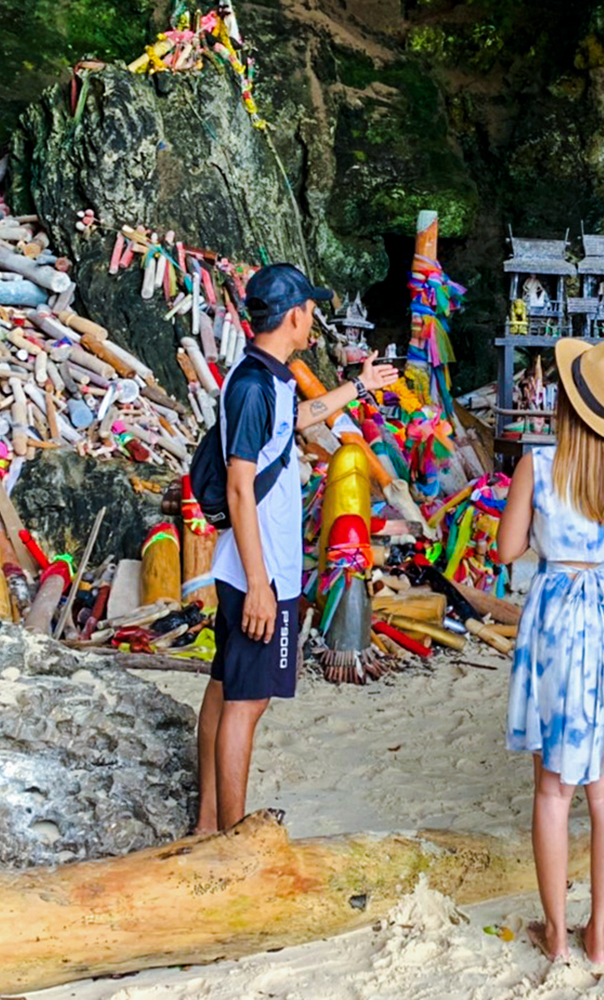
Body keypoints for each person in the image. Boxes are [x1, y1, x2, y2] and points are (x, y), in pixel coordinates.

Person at [195, 263, 397, 834]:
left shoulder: (267, 376)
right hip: (258, 570)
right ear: (293, 315)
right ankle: (235, 839)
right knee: (248, 702)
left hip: (254, 564)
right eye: (309, 309)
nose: (313, 318)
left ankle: (209, 822)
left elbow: (296, 420)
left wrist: (358, 387)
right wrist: (260, 584)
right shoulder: (255, 385)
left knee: (225, 686)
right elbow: (239, 485)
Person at [496, 338, 604, 965]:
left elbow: (508, 549)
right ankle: (601, 934)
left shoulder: (539, 465)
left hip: (556, 616)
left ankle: (557, 935)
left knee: (552, 791)